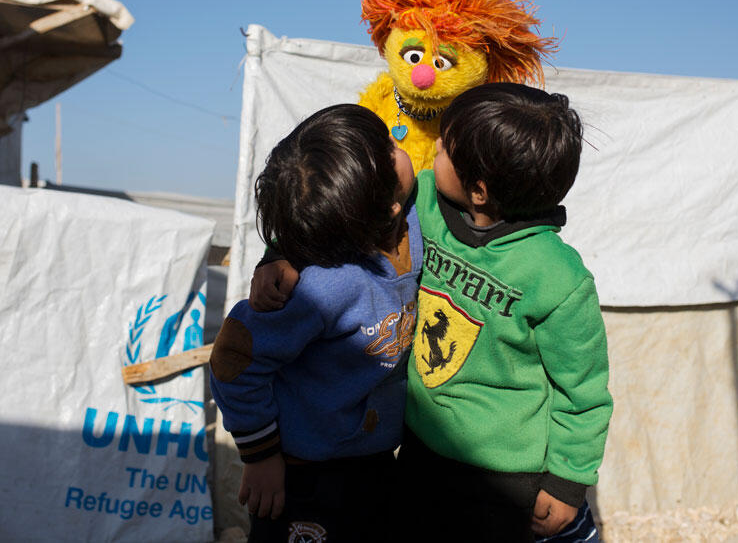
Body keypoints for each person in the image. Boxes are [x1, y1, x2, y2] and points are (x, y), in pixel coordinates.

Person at [253, 84, 613, 542]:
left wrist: (567, 483)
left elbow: (583, 392)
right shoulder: (423, 203)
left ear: (479, 191)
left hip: (506, 480)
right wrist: (278, 254)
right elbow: (337, 206)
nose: (433, 148)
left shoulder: (559, 278)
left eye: (446, 148)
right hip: (420, 449)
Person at [209, 104, 419, 542]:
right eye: (390, 148)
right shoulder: (318, 288)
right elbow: (234, 359)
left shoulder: (412, 220)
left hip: (375, 463)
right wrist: (260, 456)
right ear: (388, 210)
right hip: (301, 479)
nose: (402, 150)